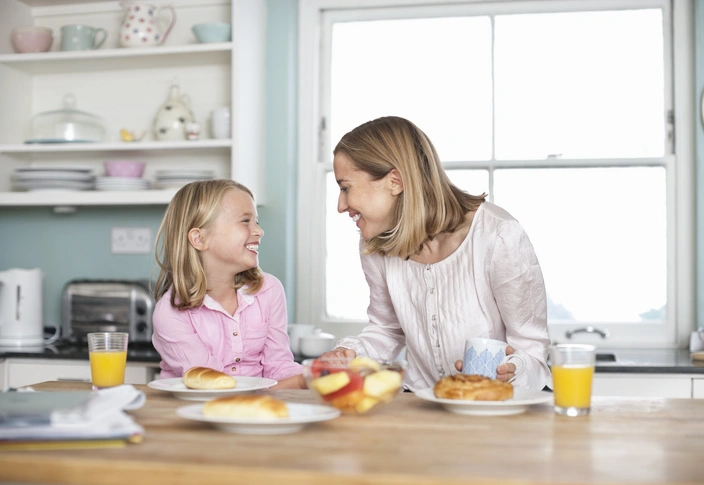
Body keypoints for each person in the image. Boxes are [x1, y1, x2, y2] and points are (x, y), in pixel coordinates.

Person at [321, 116, 551, 391]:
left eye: (345, 187)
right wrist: (351, 354)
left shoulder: (498, 236)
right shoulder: (376, 244)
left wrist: (510, 372)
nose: (340, 205)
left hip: (496, 413)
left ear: (395, 181)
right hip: (421, 410)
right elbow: (386, 329)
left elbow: (532, 350)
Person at [151, 179, 304, 389]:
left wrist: (312, 376)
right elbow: (213, 384)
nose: (259, 231)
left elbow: (279, 367)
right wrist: (305, 381)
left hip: (253, 412)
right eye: (245, 221)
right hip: (191, 415)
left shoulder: (269, 290)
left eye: (256, 221)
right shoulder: (170, 313)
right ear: (199, 239)